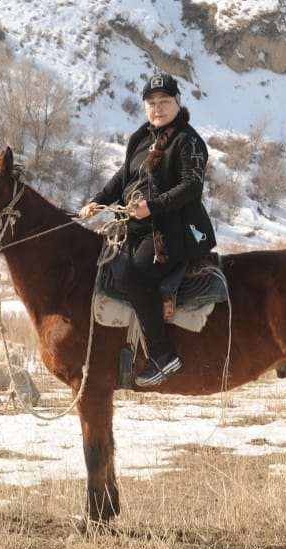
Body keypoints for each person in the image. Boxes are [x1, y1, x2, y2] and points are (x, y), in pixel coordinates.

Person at [78, 72, 216, 387]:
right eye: (151, 103)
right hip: (136, 227)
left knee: (134, 275)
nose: (157, 108)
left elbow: (191, 187)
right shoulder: (141, 137)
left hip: (173, 230)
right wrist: (99, 201)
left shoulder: (188, 140)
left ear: (177, 103)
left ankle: (162, 353)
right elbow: (123, 176)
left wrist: (153, 206)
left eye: (164, 102)